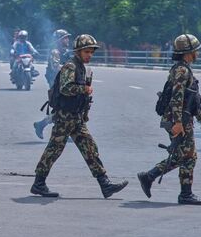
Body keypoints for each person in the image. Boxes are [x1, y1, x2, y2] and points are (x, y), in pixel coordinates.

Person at [30, 34, 128, 198]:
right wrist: (84, 89)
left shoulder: (81, 67)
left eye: (91, 52)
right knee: (54, 149)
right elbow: (65, 88)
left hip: (76, 117)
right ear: (78, 51)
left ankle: (105, 184)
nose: (90, 55)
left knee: (90, 148)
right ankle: (38, 183)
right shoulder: (71, 66)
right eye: (87, 52)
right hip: (65, 117)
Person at [137, 34, 201, 205]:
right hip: (177, 120)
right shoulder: (182, 70)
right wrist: (178, 123)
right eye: (195, 50)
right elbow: (177, 97)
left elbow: (192, 98)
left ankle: (151, 178)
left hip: (179, 118)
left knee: (186, 156)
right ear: (188, 52)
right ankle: (181, 192)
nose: (197, 53)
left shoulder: (183, 68)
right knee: (187, 156)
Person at [33, 29, 72, 139]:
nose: (67, 40)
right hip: (56, 83)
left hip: (64, 82)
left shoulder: (65, 51)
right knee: (64, 108)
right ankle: (45, 126)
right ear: (59, 40)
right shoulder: (55, 52)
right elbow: (56, 67)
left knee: (65, 108)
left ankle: (41, 124)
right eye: (65, 38)